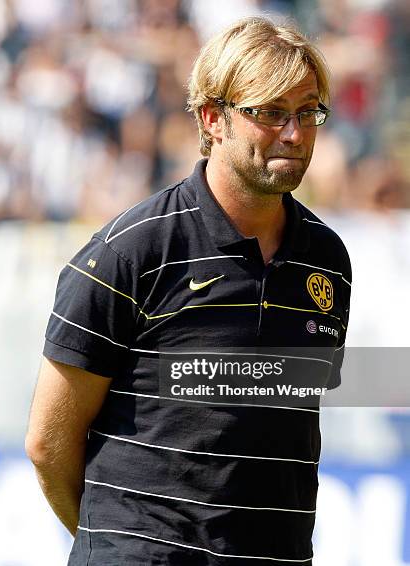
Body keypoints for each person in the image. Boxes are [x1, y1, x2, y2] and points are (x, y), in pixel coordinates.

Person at [25, 16, 352, 565]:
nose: (295, 134)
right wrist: (121, 545)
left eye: (307, 112)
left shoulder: (328, 260)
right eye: (270, 113)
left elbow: (282, 430)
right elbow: (47, 444)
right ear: (212, 118)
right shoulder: (131, 251)